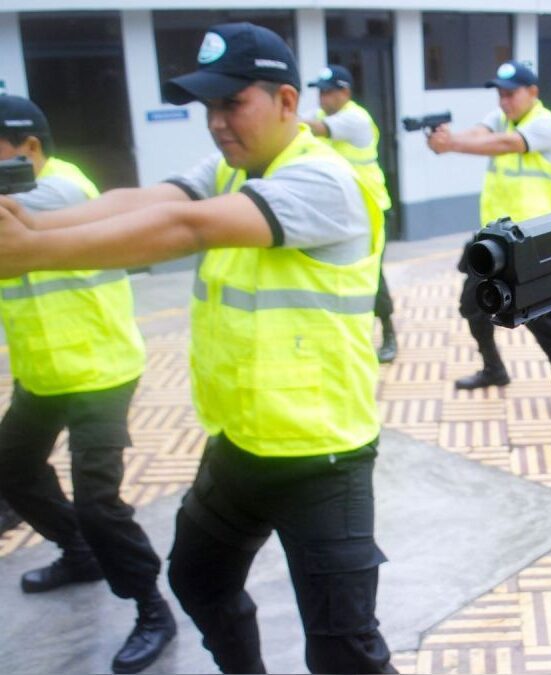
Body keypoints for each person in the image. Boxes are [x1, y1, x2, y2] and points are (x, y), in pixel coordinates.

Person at [0, 24, 394, 674]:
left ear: (287, 102)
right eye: (208, 107)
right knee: (198, 579)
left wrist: (31, 252)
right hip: (238, 445)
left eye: (232, 103)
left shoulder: (327, 181)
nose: (216, 122)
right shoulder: (229, 168)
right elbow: (147, 199)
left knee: (345, 651)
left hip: (324, 460)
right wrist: (35, 224)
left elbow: (183, 225)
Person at [0, 94, 175, 674]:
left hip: (101, 371)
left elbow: (26, 212)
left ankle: (151, 607)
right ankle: (79, 554)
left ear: (29, 149)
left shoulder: (64, 190)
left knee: (100, 503)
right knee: (13, 469)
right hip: (42, 373)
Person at [426, 60, 551, 418]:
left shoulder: (545, 125)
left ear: (533, 93)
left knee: (546, 324)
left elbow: (506, 143)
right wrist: (454, 139)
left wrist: (450, 145)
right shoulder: (501, 116)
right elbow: (482, 132)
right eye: (500, 93)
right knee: (472, 307)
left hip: (536, 243)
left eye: (511, 93)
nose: (504, 100)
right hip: (494, 241)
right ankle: (494, 368)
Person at [305, 64, 398, 363]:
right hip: (336, 212)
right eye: (320, 91)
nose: (322, 98)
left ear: (345, 92)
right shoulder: (323, 116)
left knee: (371, 275)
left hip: (368, 211)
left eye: (329, 92)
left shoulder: (355, 119)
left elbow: (310, 130)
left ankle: (389, 333)